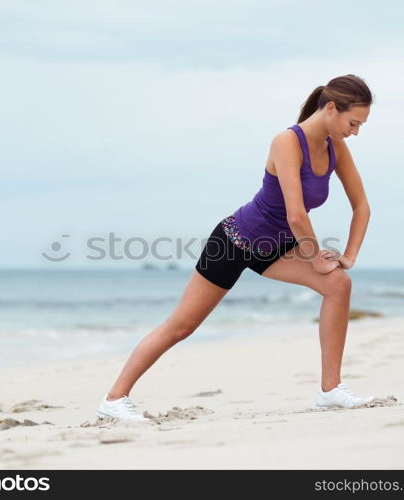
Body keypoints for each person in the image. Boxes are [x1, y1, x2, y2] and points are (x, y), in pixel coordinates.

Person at [96, 74, 375, 421]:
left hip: (277, 246)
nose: (355, 132)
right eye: (353, 123)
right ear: (331, 108)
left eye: (360, 125)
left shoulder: (336, 147)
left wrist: (349, 256)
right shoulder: (287, 141)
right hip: (234, 241)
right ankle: (114, 398)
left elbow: (361, 206)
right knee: (181, 327)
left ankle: (331, 390)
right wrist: (316, 258)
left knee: (339, 284)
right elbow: (297, 215)